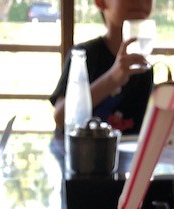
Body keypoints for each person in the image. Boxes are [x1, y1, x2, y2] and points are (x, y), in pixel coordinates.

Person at [50, 0, 154, 135]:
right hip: (80, 148)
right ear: (101, 2)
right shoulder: (83, 55)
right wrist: (112, 79)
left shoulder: (144, 68)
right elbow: (60, 117)